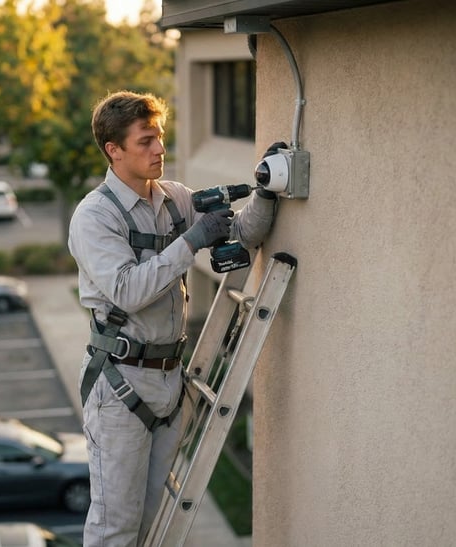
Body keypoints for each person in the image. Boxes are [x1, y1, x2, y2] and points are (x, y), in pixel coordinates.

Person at [68, 90, 279, 547]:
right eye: (145, 141)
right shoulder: (95, 216)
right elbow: (128, 289)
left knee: (149, 524)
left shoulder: (176, 199)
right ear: (114, 149)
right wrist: (191, 241)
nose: (160, 149)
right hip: (121, 386)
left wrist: (266, 190)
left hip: (168, 383)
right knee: (114, 529)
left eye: (159, 137)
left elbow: (245, 234)